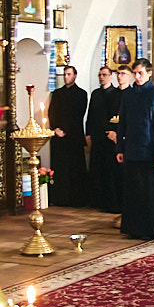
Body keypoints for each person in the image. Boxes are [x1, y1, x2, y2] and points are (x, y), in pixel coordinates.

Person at [116, 58, 154, 239]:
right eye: (135, 73)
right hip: (131, 150)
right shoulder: (128, 95)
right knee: (133, 192)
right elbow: (122, 124)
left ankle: (150, 228)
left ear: (149, 73)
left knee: (149, 192)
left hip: (150, 152)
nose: (137, 77)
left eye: (140, 73)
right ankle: (133, 228)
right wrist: (120, 149)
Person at [48, 65, 89, 206]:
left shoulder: (81, 94)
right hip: (58, 137)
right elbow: (51, 113)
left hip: (73, 137)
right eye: (65, 74)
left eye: (69, 74)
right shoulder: (57, 94)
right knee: (60, 168)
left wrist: (66, 129)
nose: (66, 77)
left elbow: (78, 115)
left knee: (74, 169)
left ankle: (76, 200)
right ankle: (60, 198)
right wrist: (56, 128)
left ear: (75, 76)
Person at [86, 66, 121, 212]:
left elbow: (115, 116)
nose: (102, 77)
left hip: (110, 137)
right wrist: (88, 133)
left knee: (109, 170)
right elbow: (91, 115)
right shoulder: (95, 93)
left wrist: (111, 130)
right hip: (97, 137)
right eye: (100, 74)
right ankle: (97, 200)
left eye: (105, 75)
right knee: (97, 169)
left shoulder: (115, 94)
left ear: (111, 77)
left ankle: (110, 201)